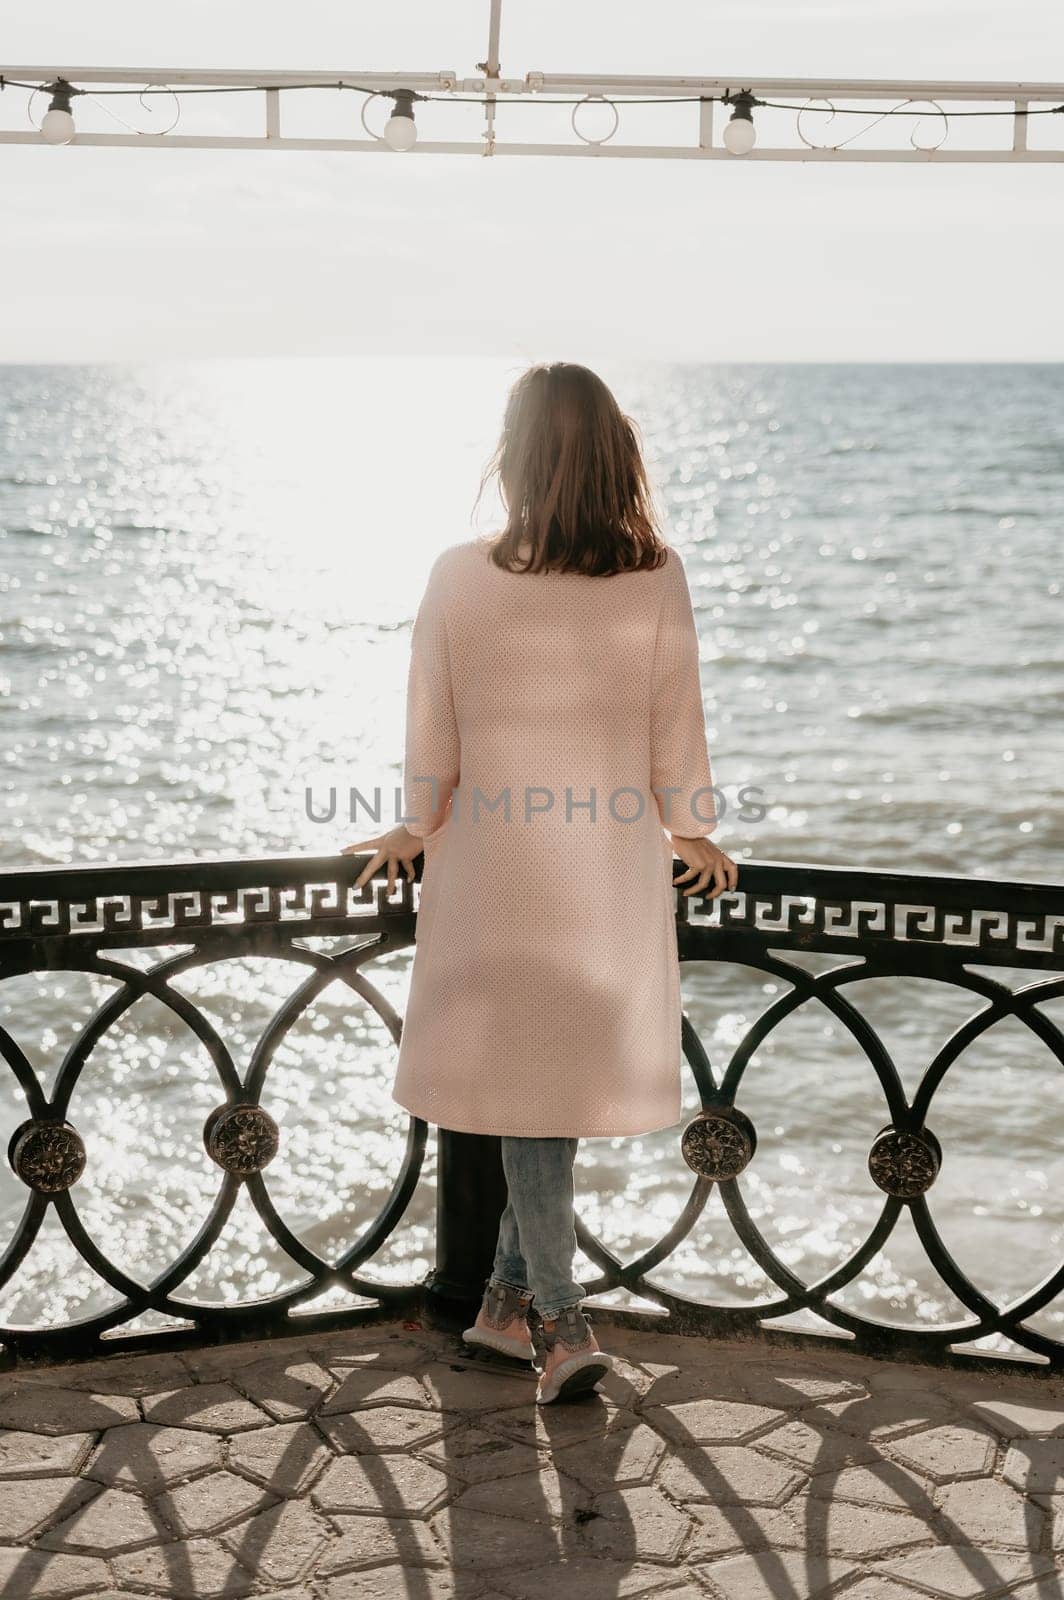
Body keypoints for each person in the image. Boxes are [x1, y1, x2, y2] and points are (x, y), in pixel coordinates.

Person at [343, 361, 738, 1404]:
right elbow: (673, 725)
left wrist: (414, 823)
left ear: (512, 457)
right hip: (602, 866)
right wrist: (689, 827)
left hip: (489, 863)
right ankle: (558, 1323)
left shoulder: (455, 574)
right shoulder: (656, 573)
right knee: (542, 1083)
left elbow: (433, 729)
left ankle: (501, 1304)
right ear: (617, 455)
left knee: (533, 1083)